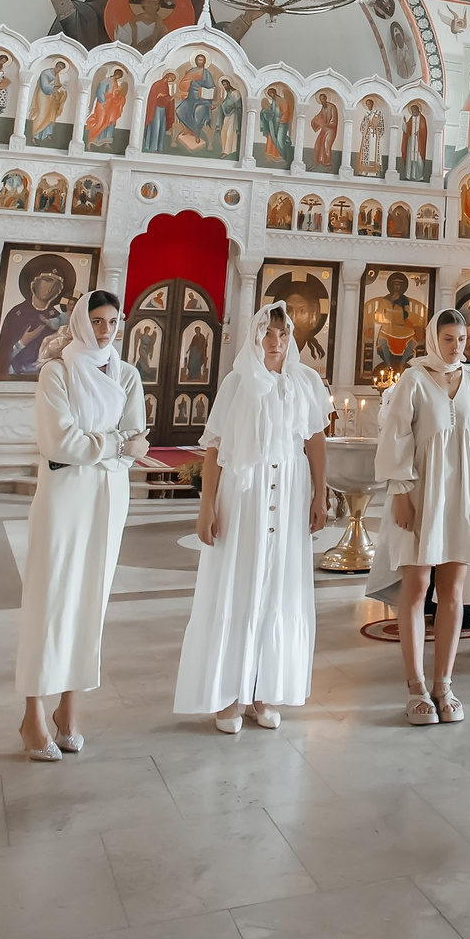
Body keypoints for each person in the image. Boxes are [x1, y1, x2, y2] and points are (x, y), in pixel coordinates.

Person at [173, 303, 331, 734]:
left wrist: (320, 494)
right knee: (238, 583)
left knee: (279, 587)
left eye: (282, 334)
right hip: (245, 496)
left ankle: (263, 690)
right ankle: (228, 694)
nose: (275, 342)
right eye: (268, 333)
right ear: (255, 336)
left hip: (291, 490)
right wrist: (207, 506)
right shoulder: (237, 383)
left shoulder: (306, 381)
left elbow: (314, 439)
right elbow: (214, 447)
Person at [14, 291, 151, 759]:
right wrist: (113, 446)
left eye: (113, 321)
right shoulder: (57, 372)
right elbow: (60, 442)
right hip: (64, 494)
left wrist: (109, 447)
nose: (105, 330)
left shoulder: (128, 375)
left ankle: (68, 709)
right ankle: (32, 713)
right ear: (77, 322)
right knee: (50, 596)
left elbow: (137, 436)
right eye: (96, 320)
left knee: (90, 598)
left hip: (109, 494)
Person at [371, 309, 470, 725]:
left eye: (462, 339)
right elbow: (397, 438)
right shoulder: (414, 379)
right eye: (448, 339)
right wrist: (400, 493)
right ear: (433, 339)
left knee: (453, 588)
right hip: (421, 492)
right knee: (417, 584)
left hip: (462, 494)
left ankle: (444, 684)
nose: (456, 347)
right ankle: (416, 686)